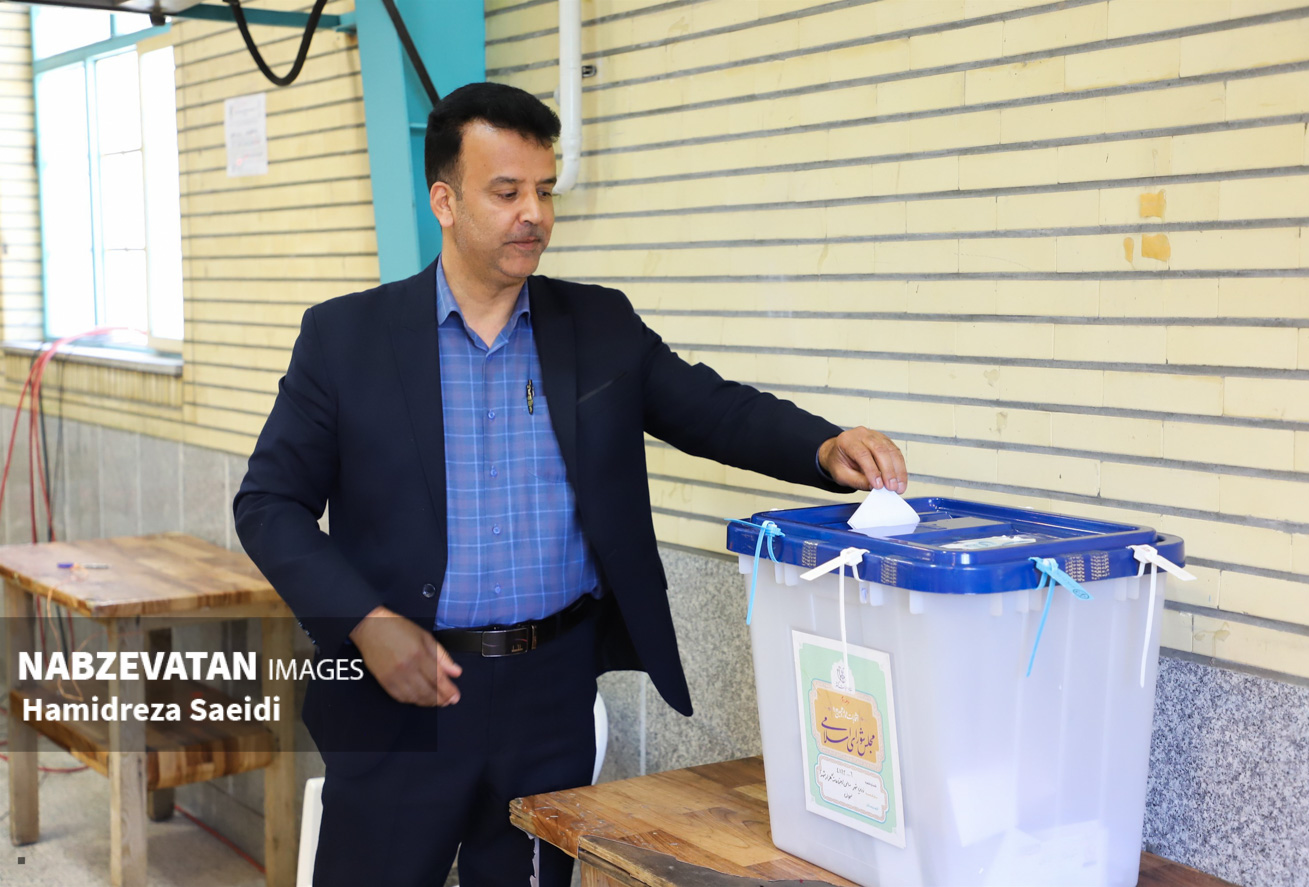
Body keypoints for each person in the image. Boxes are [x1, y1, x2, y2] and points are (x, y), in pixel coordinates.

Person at [234, 81, 907, 887]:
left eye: (545, 191)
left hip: (547, 694)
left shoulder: (597, 325)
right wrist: (365, 622)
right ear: (444, 201)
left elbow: (711, 409)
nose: (534, 214)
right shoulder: (346, 338)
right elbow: (268, 504)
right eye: (506, 192)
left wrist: (822, 446)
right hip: (401, 690)